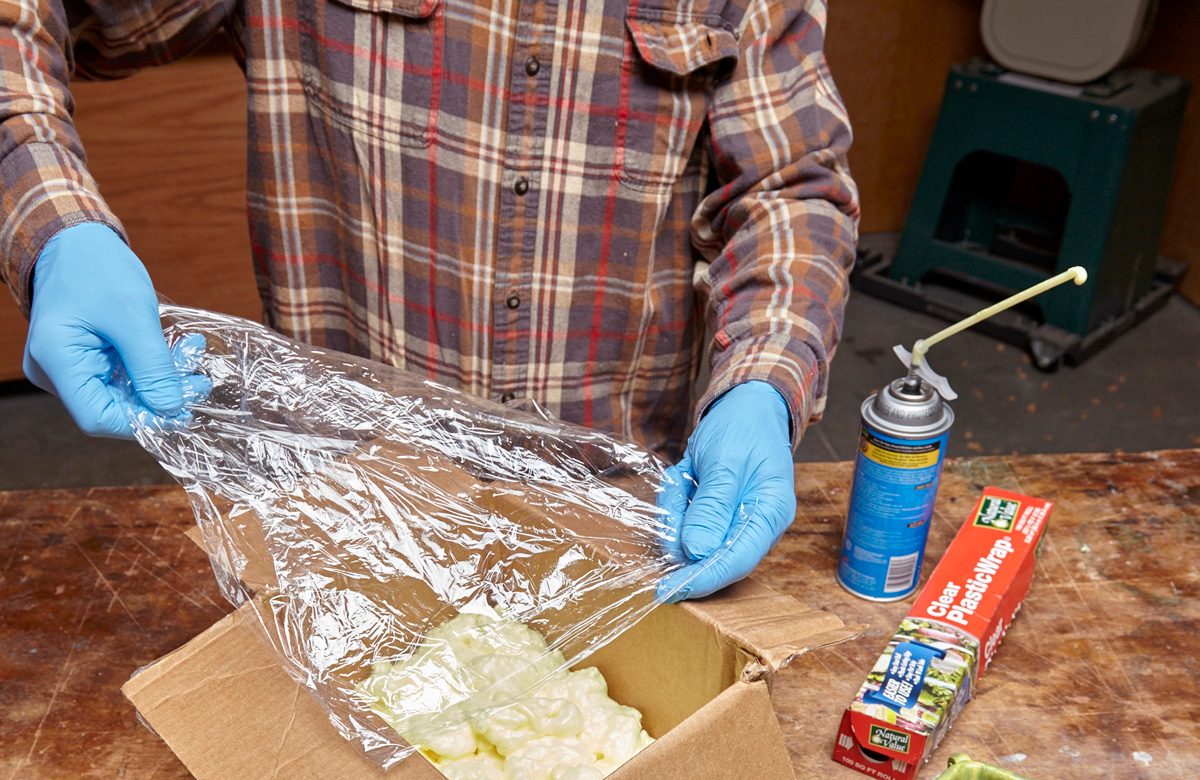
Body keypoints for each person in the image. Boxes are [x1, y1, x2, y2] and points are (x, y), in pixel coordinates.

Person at [0, 1, 858, 598]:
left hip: (621, 526)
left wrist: (762, 377)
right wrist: (54, 225)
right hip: (337, 516)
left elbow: (789, 187)